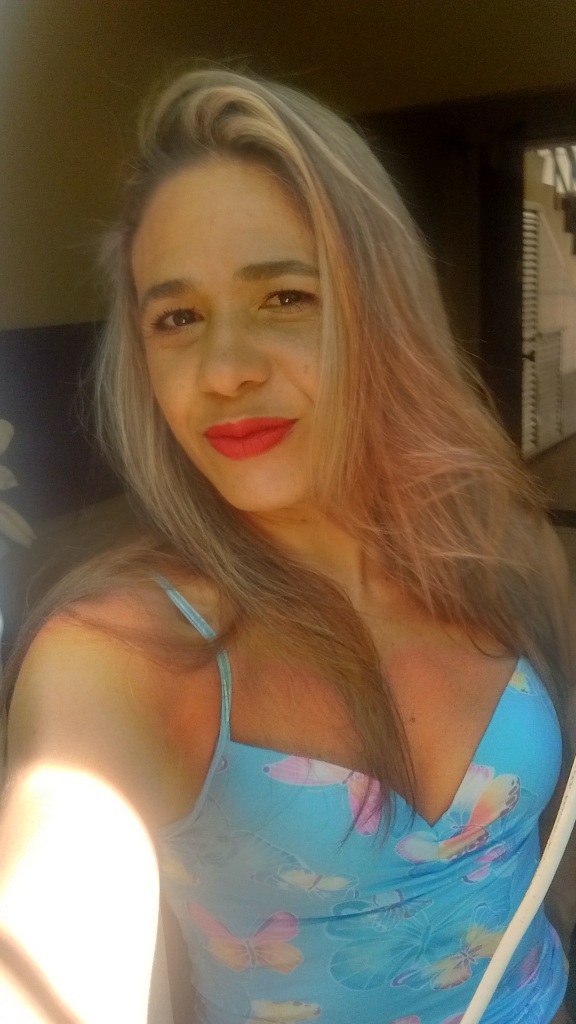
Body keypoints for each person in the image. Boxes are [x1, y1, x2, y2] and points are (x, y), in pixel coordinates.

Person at [0, 67, 574, 1024]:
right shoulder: (119, 657)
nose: (224, 370)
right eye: (177, 318)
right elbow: (48, 931)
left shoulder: (505, 552)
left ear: (385, 317)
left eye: (285, 297)